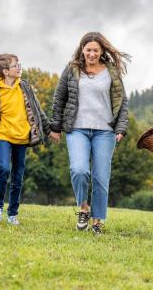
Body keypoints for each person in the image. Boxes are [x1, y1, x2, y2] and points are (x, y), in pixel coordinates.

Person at [49, 32, 130, 234]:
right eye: (88, 50)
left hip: (105, 131)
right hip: (77, 129)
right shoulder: (72, 70)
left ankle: (97, 222)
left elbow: (122, 102)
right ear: (82, 50)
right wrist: (55, 127)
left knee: (101, 176)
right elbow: (59, 99)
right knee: (79, 170)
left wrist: (120, 128)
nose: (92, 54)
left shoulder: (112, 71)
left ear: (101, 51)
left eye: (95, 50)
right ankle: (83, 207)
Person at [0, 53, 50, 225]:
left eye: (19, 64)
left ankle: (12, 213)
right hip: (4, 135)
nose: (19, 67)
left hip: (23, 137)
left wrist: (49, 130)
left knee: (18, 176)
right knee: (4, 169)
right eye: (15, 65)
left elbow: (38, 111)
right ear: (5, 71)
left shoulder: (25, 87)